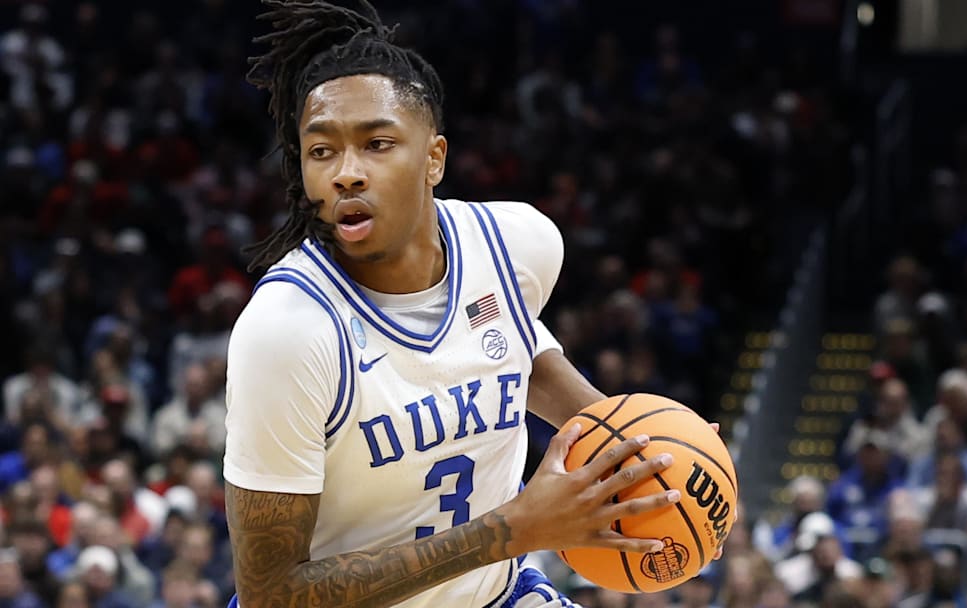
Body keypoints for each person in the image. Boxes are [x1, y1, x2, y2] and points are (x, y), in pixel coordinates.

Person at [224, 2, 721, 607]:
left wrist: (648, 457)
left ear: (434, 158)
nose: (346, 173)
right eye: (321, 151)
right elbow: (269, 595)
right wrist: (513, 530)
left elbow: (514, 352)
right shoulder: (287, 332)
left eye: (377, 143)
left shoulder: (518, 245)